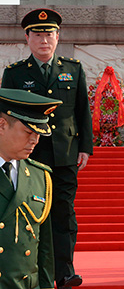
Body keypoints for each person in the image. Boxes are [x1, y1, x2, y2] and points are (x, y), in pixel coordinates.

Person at [1, 8, 93, 288]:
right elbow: (5, 115)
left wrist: (85, 148)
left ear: (58, 37)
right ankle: (32, 269)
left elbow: (82, 111)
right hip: (29, 154)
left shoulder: (72, 69)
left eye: (49, 34)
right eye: (38, 35)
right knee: (28, 213)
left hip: (64, 153)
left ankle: (64, 271)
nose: (44, 40)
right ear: (27, 38)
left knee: (64, 213)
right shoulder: (15, 74)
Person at [0, 88, 62, 289]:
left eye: (38, 133)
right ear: (1, 125)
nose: (35, 140)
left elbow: (44, 252)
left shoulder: (40, 176)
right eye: (29, 132)